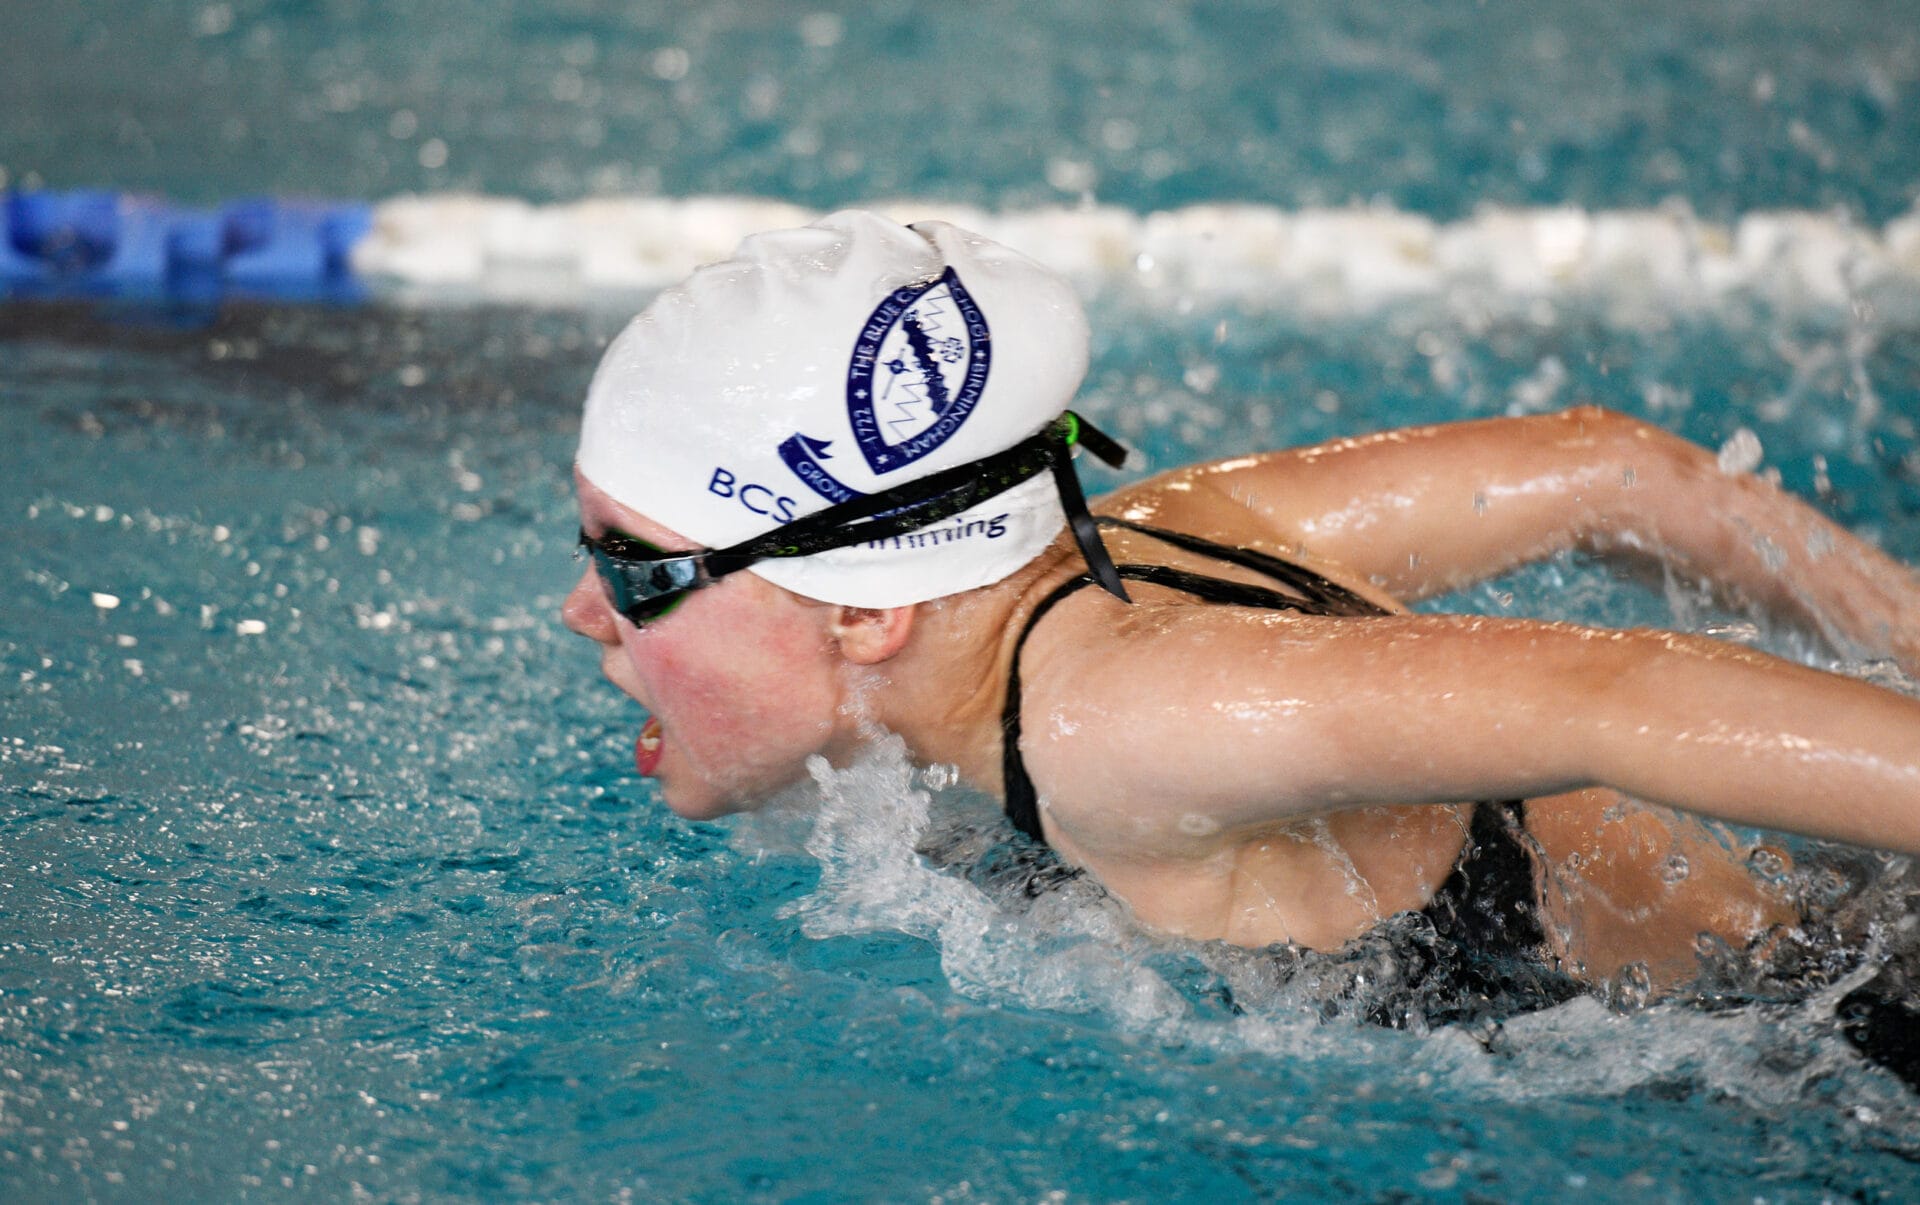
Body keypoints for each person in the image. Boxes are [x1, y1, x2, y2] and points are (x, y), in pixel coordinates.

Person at [562, 210, 1920, 1049]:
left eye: (635, 572)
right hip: (1832, 938)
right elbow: (1608, 464)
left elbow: (1615, 694)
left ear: (867, 606)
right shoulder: (1147, 535)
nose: (581, 615)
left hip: (1833, 1050)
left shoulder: (1125, 727)